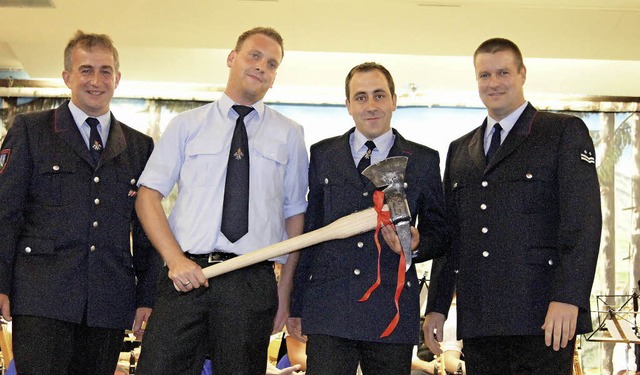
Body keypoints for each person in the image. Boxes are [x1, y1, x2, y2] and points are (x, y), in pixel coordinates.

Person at [134, 26, 308, 375]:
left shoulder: (289, 134)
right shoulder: (186, 125)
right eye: (254, 56)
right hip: (185, 277)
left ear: (275, 77)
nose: (262, 66)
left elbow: (295, 216)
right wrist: (174, 260)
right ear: (232, 58)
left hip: (251, 282)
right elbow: (148, 195)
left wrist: (284, 293)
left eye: (272, 63)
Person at [423, 37, 601, 374]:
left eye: (502, 72)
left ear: (521, 74)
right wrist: (438, 306)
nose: (493, 83)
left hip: (542, 314)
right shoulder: (460, 149)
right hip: (479, 318)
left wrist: (569, 298)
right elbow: (454, 237)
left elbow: (583, 222)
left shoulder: (561, 131)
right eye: (484, 75)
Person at [0, 30, 161, 374]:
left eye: (105, 71)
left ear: (117, 78)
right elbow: (5, 213)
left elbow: (148, 229)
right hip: (41, 295)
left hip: (109, 298)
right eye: (85, 70)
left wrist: (147, 297)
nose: (96, 80)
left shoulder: (139, 146)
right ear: (67, 77)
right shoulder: (30, 130)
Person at [289, 62, 449, 375]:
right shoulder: (323, 154)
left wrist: (417, 244)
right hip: (329, 306)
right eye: (360, 97)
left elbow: (440, 233)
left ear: (393, 100)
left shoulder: (424, 160)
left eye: (379, 95)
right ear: (348, 105)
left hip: (391, 308)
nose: (371, 105)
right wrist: (297, 305)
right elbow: (312, 231)